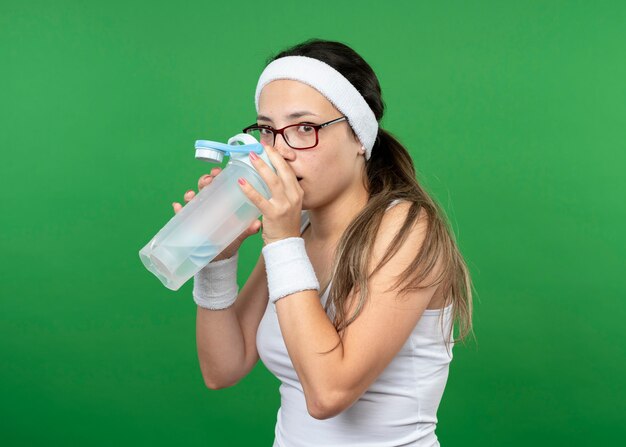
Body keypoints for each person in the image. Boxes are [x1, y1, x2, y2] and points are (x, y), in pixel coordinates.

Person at [172, 39, 474, 447]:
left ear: (359, 137)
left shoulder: (406, 228)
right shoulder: (298, 230)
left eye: (304, 128)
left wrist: (280, 238)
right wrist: (217, 261)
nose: (278, 153)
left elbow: (329, 392)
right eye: (267, 130)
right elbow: (223, 369)